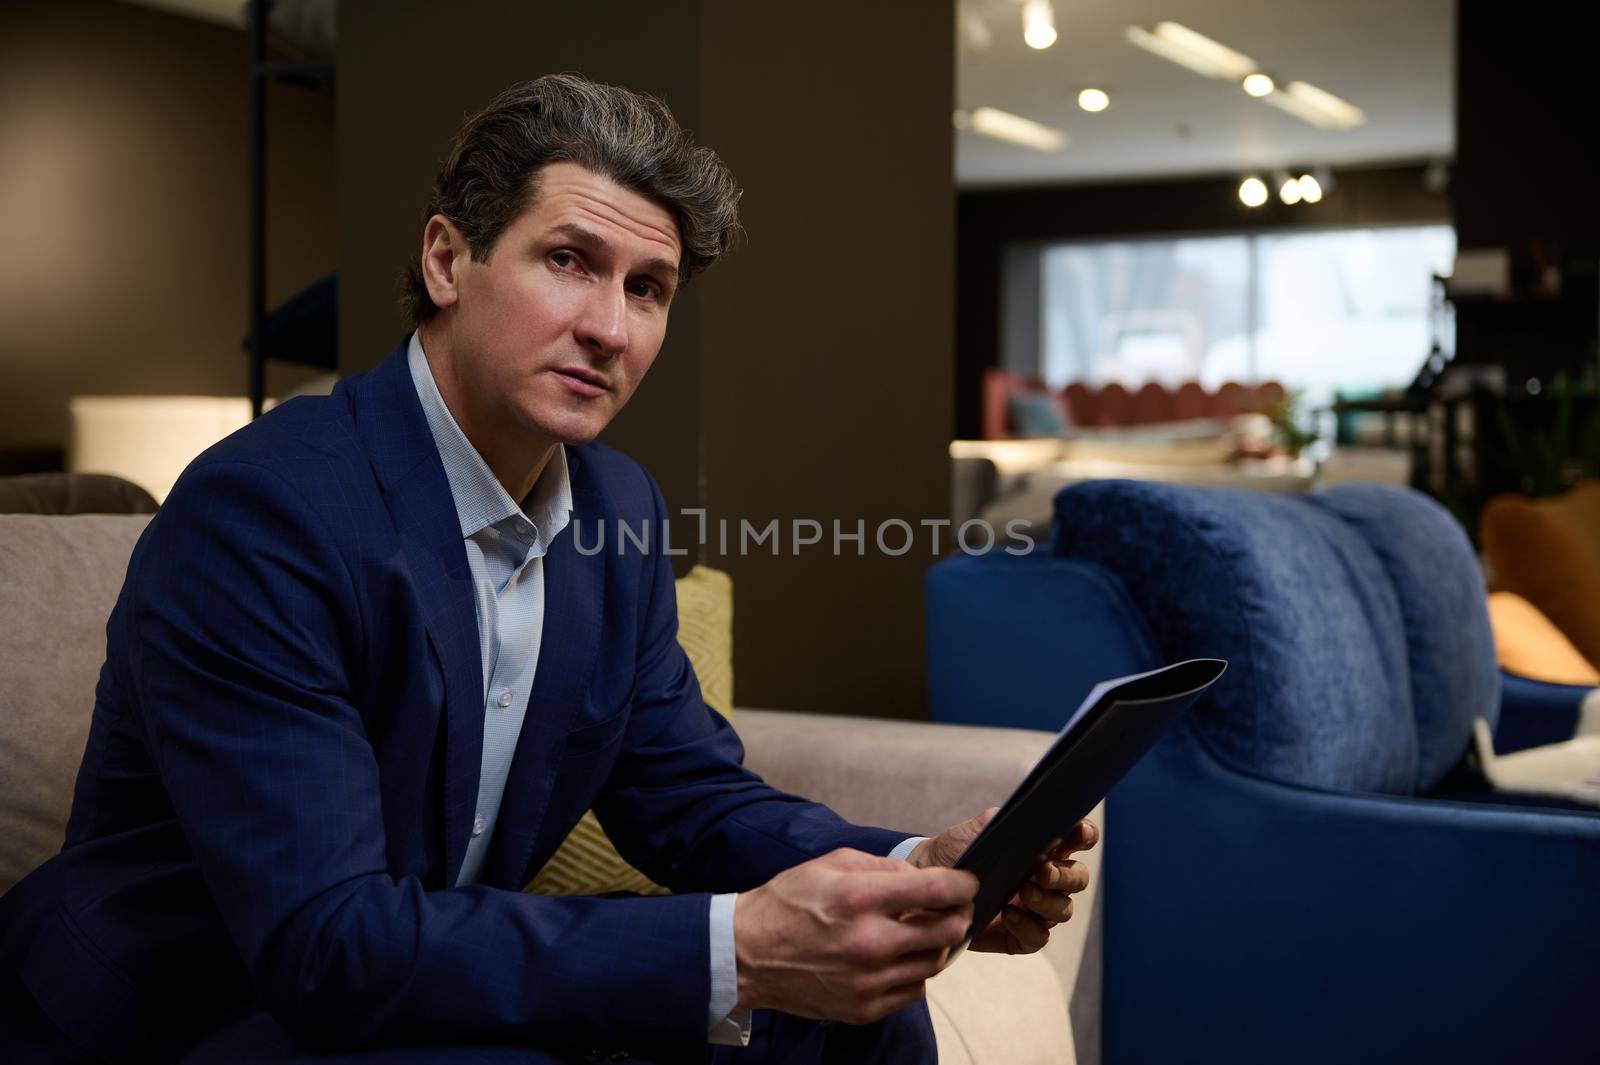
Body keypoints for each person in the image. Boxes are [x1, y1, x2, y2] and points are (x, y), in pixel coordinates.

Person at [0, 74, 1096, 1064]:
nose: (608, 327)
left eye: (648, 288)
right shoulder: (268, 512)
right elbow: (324, 943)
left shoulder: (614, 505)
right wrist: (736, 948)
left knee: (861, 1018)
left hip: (418, 964)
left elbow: (686, 796)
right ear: (447, 261)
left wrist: (917, 870)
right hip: (207, 999)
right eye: (569, 261)